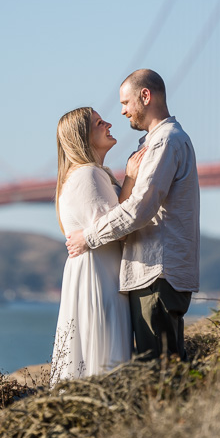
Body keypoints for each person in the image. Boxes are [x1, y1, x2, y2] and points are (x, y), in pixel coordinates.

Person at [66, 69, 200, 362]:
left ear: (145, 96)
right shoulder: (158, 142)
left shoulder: (165, 142)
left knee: (159, 371)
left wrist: (88, 238)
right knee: (166, 367)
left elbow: (141, 208)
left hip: (156, 272)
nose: (123, 111)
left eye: (126, 102)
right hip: (157, 272)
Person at [50, 106, 145, 385]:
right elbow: (119, 228)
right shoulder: (88, 175)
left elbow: (111, 221)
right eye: (98, 123)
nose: (109, 124)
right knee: (104, 360)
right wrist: (130, 179)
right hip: (99, 279)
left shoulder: (88, 174)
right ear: (83, 137)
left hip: (96, 273)